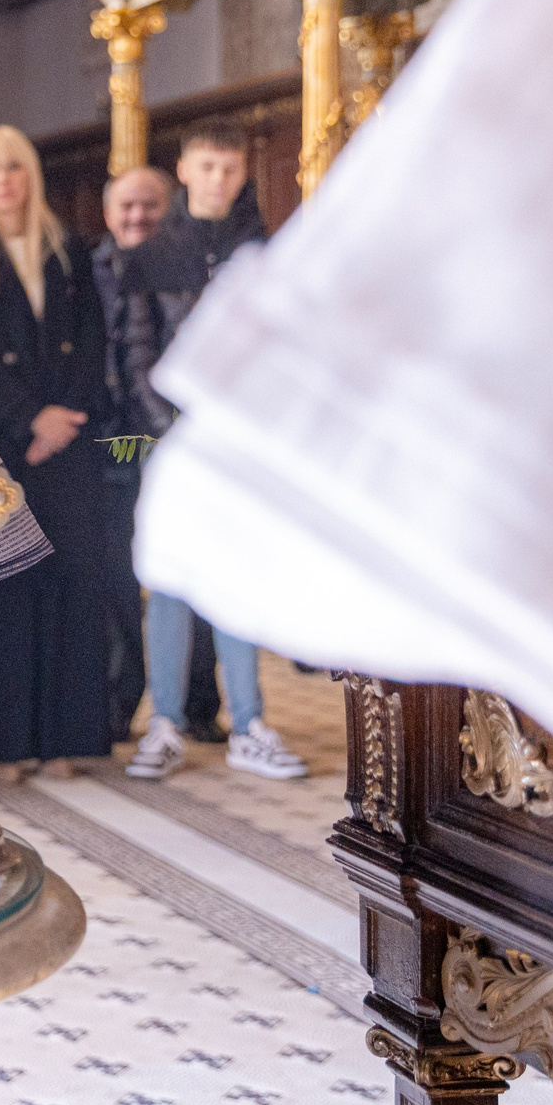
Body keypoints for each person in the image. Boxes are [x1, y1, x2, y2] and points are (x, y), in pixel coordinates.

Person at [123, 124, 309, 783]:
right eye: (207, 167)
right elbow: (138, 353)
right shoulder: (148, 255)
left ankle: (251, 722)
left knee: (238, 577)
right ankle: (167, 722)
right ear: (184, 169)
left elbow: (279, 352)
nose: (219, 180)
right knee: (171, 582)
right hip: (173, 441)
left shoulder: (260, 252)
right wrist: (170, 426)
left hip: (240, 443)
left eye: (230, 169)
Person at [0, 126, 117, 778]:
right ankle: (0, 745)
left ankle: (66, 739)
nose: (3, 180)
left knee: (74, 584)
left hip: (68, 443)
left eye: (13, 167)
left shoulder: (67, 247)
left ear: (30, 174)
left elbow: (94, 338)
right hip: (1, 445)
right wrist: (27, 417)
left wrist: (63, 417)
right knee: (3, 590)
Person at [93, 167, 172, 735]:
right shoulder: (88, 268)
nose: (137, 215)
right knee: (118, 570)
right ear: (107, 212)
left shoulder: (181, 271)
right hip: (115, 442)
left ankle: (194, 706)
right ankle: (120, 703)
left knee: (177, 569)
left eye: (149, 205)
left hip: (171, 439)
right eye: (127, 206)